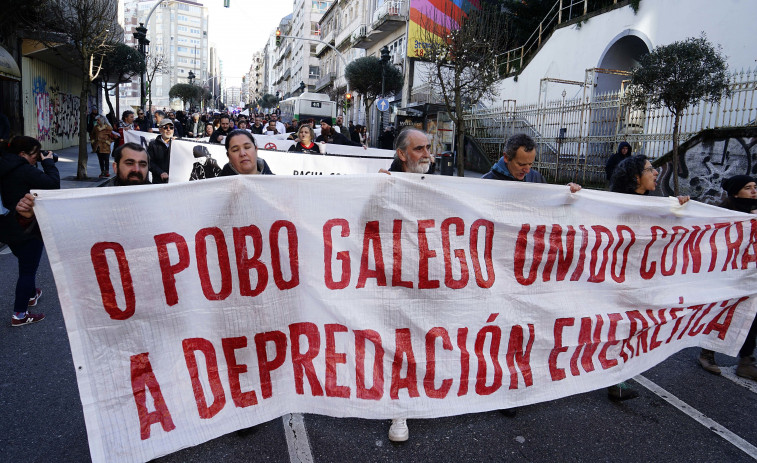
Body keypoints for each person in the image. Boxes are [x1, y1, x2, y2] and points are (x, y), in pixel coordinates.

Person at [608, 154, 689, 400]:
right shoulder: (613, 204)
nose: (655, 173)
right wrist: (574, 195)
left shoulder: (656, 204)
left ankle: (618, 377)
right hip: (616, 279)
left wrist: (681, 209)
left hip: (642, 280)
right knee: (619, 327)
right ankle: (614, 380)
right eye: (650, 169)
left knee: (634, 327)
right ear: (636, 177)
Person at [377, 128, 434, 442]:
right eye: (419, 149)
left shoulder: (440, 184)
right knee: (399, 341)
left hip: (429, 277)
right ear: (401, 154)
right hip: (395, 279)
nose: (427, 155)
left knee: (424, 337)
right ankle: (399, 408)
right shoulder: (384, 182)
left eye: (428, 148)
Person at [698, 175, 757, 379]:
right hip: (727, 276)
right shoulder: (724, 215)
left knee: (751, 316)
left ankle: (746, 361)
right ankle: (707, 353)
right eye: (748, 188)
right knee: (722, 312)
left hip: (751, 276)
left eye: (754, 187)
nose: (753, 191)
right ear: (735, 193)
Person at [0, 136, 60, 327]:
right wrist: (48, 162)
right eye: (35, 154)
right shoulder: (23, 170)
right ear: (22, 154)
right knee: (28, 270)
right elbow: (53, 184)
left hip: (6, 225)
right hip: (26, 226)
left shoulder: (4, 165)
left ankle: (32, 294)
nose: (38, 157)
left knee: (25, 260)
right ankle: (20, 314)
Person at [483, 134, 581, 192]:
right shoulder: (486, 183)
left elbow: (550, 201)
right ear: (506, 157)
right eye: (521, 164)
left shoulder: (536, 178)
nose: (527, 170)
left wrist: (566, 192)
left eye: (530, 164)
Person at [147, 119, 174, 183]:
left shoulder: (178, 144)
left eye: (171, 127)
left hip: (175, 181)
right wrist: (160, 172)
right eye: (165, 127)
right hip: (159, 181)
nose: (168, 129)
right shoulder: (153, 144)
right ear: (160, 130)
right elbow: (149, 162)